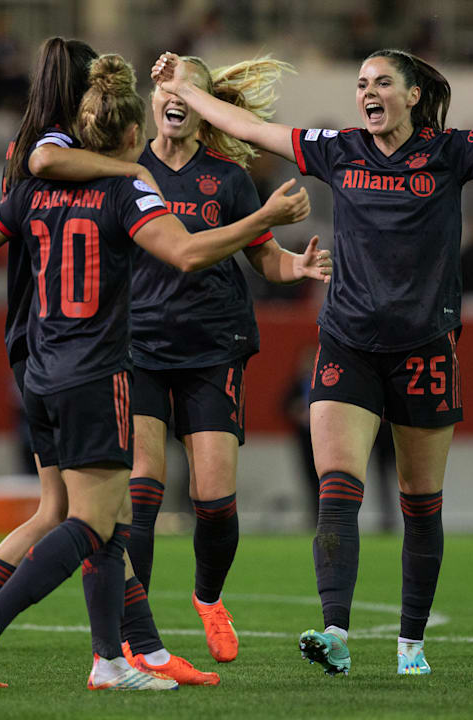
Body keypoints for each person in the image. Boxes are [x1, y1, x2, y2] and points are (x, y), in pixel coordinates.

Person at [152, 48, 473, 676]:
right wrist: (186, 85)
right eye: (361, 83)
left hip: (425, 350)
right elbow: (249, 129)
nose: (367, 93)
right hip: (346, 344)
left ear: (413, 96)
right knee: (336, 493)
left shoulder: (449, 153)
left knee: (420, 503)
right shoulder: (338, 149)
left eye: (381, 83)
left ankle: (411, 647)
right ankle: (336, 632)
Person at [0, 53, 310, 690]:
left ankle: (117, 658)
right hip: (97, 371)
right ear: (131, 134)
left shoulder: (34, 188)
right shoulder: (129, 187)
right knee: (93, 522)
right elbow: (182, 252)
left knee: (103, 514)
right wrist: (262, 220)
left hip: (39, 370)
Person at [0, 37, 216, 688]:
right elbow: (53, 168)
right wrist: (132, 172)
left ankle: (122, 655)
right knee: (82, 513)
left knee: (81, 510)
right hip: (69, 344)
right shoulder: (56, 152)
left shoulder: (35, 146)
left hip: (38, 342)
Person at [128, 54, 331, 666]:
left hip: (213, 346)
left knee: (214, 501)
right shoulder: (121, 172)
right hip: (135, 346)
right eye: (170, 87)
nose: (179, 99)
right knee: (141, 490)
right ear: (154, 96)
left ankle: (209, 600)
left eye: (193, 92)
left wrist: (293, 265)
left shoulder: (229, 179)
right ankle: (133, 635)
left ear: (206, 109)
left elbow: (263, 256)